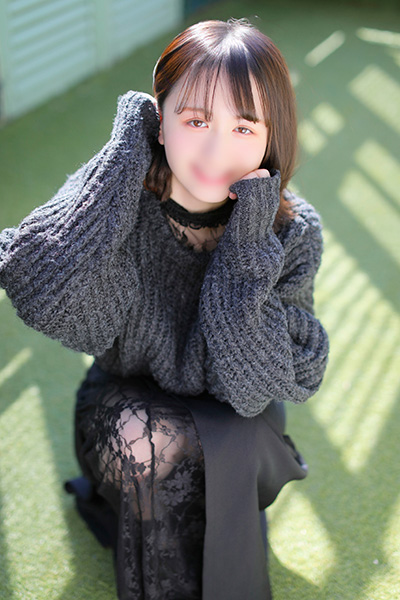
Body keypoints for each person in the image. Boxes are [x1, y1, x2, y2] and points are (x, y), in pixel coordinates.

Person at [0, 18, 329, 600]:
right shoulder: (120, 195)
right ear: (159, 115)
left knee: (224, 447)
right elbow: (41, 287)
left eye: (244, 127)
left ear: (271, 134)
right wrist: (125, 152)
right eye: (195, 120)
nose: (215, 150)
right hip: (127, 402)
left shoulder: (290, 229)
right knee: (155, 447)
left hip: (234, 413)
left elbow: (261, 383)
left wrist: (247, 242)